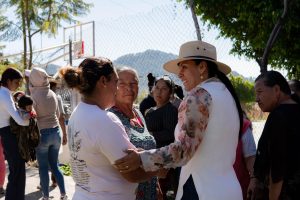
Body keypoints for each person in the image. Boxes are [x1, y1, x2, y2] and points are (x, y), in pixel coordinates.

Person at [115, 40, 244, 200]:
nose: (179, 73)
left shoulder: (199, 95)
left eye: (184, 67)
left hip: (201, 189)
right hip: (229, 188)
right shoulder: (226, 95)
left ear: (202, 67)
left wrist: (142, 158)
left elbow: (183, 150)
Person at [59, 57, 165, 200]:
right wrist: (158, 169)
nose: (117, 89)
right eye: (116, 82)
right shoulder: (105, 120)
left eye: (134, 83)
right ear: (103, 82)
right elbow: (132, 173)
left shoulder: (78, 113)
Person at [109, 67, 163, 200]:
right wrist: (158, 168)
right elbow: (123, 167)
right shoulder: (111, 118)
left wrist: (157, 185)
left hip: (150, 190)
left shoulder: (138, 113)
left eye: (133, 83)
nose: (129, 88)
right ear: (114, 87)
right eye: (122, 84)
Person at [252, 71, 300, 200]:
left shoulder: (278, 116)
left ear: (277, 89)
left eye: (259, 92)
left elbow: (277, 168)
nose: (256, 99)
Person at [29, 67, 68, 200]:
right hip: (56, 132)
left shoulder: (33, 97)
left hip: (42, 134)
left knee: (43, 168)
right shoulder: (52, 94)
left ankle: (45, 196)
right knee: (55, 166)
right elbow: (58, 115)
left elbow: (32, 117)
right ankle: (63, 194)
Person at [145, 75, 179, 199]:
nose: (159, 92)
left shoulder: (170, 110)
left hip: (164, 162)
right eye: (157, 87)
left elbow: (170, 134)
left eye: (163, 89)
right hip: (150, 159)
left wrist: (150, 135)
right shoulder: (149, 111)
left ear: (170, 92)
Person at [0, 67, 29, 200]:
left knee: (16, 171)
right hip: (9, 134)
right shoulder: (5, 95)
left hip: (6, 134)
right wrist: (29, 117)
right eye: (17, 82)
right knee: (17, 172)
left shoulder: (3, 93)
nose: (18, 86)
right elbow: (20, 121)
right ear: (9, 80)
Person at [233, 112, 256, 200]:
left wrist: (253, 180)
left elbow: (251, 159)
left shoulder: (242, 126)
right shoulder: (202, 125)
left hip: (239, 189)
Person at [10, 94, 39, 162]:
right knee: (24, 150)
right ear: (23, 106)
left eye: (31, 105)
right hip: (23, 136)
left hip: (28, 135)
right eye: (28, 106)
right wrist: (31, 114)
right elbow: (24, 118)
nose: (30, 107)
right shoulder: (21, 111)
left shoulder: (27, 110)